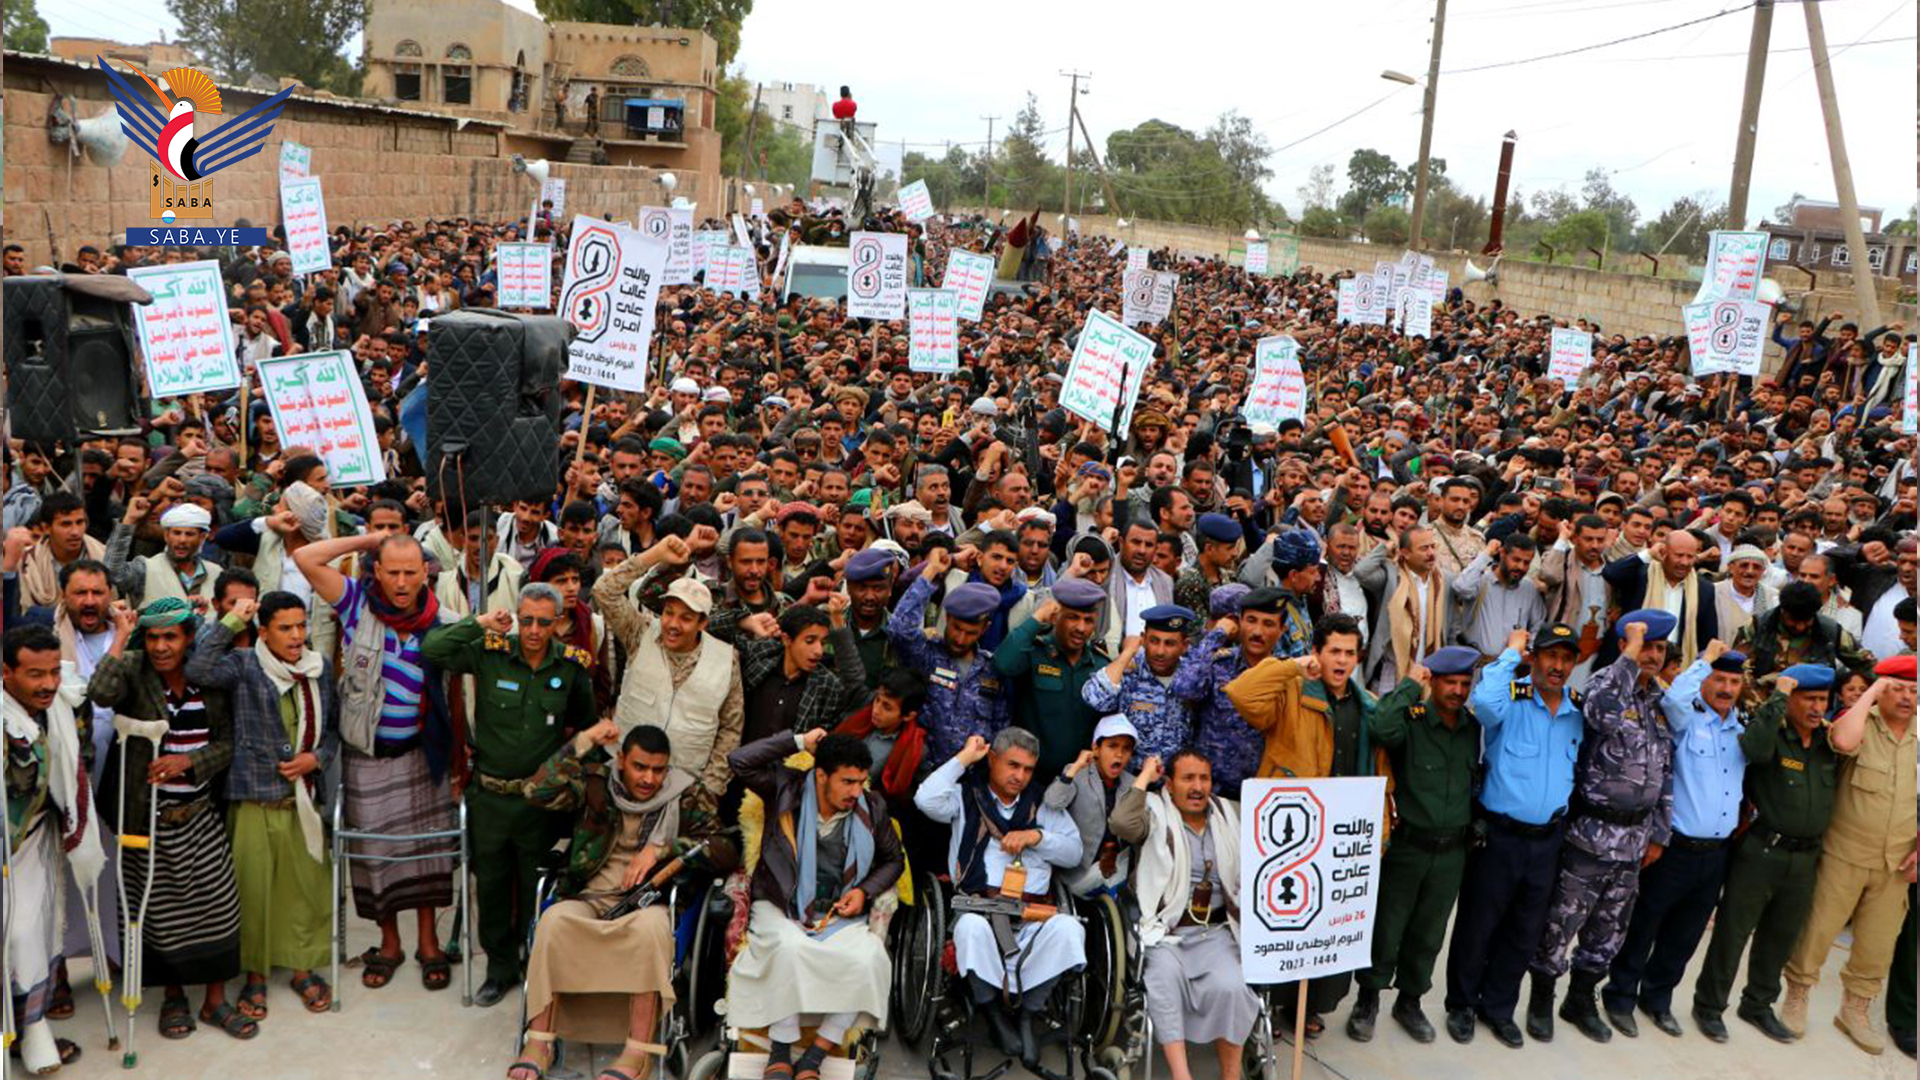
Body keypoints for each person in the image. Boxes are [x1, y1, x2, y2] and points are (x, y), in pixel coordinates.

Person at [511, 720, 723, 1080]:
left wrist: (663, 849)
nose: (649, 779)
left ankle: (637, 1052)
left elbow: (723, 848)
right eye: (640, 767)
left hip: (647, 902)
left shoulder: (686, 792)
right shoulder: (596, 783)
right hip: (589, 893)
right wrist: (585, 739)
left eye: (658, 770)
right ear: (622, 759)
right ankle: (540, 1041)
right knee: (553, 923)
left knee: (650, 931)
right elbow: (535, 790)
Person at [295, 531, 458, 993]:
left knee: (427, 853)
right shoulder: (355, 606)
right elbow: (306, 557)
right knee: (376, 854)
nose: (403, 582)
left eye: (411, 572)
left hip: (422, 754)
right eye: (394, 572)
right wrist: (371, 538)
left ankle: (429, 944)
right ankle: (389, 944)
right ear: (378, 572)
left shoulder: (443, 620)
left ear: (426, 573)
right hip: (367, 756)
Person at [420, 585, 597, 1007]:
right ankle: (499, 969)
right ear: (517, 616)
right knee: (494, 888)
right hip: (490, 800)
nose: (533, 630)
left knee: (535, 886)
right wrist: (479, 623)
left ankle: (534, 962)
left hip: (539, 804)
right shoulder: (491, 651)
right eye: (527, 619)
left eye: (543, 621)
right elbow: (433, 649)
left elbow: (586, 729)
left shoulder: (571, 668)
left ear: (558, 623)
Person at [86, 597, 249, 1041]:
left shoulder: (207, 678)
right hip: (145, 819)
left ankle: (216, 1001)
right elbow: (99, 692)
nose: (160, 647)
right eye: (154, 637)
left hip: (199, 814)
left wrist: (189, 762)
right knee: (153, 915)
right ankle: (173, 997)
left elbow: (229, 742)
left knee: (218, 906)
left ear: (189, 638)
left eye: (170, 637)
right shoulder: (134, 668)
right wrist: (122, 635)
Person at [1222, 612, 1381, 1035]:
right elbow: (1241, 692)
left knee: (1326, 925)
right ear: (1317, 652)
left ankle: (1305, 1007)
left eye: (1350, 653)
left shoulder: (1366, 705)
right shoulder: (1292, 690)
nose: (1342, 661)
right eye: (1334, 652)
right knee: (1284, 922)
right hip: (1290, 833)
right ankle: (1268, 1007)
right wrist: (1292, 666)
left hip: (1341, 832)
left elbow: (1379, 773)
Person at [185, 590, 339, 1018]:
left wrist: (316, 759)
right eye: (284, 628)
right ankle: (254, 977)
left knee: (305, 889)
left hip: (302, 802)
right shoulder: (244, 665)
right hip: (254, 800)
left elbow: (333, 732)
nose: (295, 636)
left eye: (300, 626)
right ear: (264, 631)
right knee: (254, 892)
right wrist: (233, 621)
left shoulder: (318, 667)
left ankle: (303, 968)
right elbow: (198, 668)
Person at [1525, 610, 1676, 1044]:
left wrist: (1659, 832)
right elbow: (1603, 717)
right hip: (1591, 835)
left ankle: (1580, 998)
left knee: (1609, 927)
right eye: (1643, 645)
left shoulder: (1658, 701)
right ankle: (1541, 999)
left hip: (1634, 839)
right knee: (1562, 922)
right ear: (1626, 645)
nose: (1650, 655)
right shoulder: (1606, 685)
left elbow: (1665, 771)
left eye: (1658, 648)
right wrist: (1626, 656)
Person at [726, 727, 903, 1080]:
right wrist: (797, 742)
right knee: (788, 949)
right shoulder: (785, 788)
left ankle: (815, 1055)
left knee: (869, 959)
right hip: (781, 903)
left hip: (838, 910)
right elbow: (739, 761)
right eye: (848, 781)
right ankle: (779, 1050)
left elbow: (893, 861)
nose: (857, 791)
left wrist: (864, 891)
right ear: (821, 775)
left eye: (861, 781)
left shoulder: (872, 807)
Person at [1444, 624, 1584, 1048]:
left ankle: (1498, 1008)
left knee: (1524, 930)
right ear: (1534, 658)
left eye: (1566, 658)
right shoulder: (1511, 698)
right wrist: (1510, 654)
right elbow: (1483, 704)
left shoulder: (1577, 711)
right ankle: (1462, 1005)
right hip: (1500, 835)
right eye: (1549, 656)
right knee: (1479, 923)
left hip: (1547, 839)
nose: (1557, 666)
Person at [1601, 639, 1748, 1038]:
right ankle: (1619, 996)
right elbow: (1674, 699)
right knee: (1645, 924)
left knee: (1684, 934)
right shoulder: (1686, 719)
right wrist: (1704, 662)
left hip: (1715, 853)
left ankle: (1657, 998)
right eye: (1720, 679)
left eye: (1734, 682)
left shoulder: (1741, 728)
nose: (1726, 689)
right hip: (1675, 848)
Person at [1690, 664, 1842, 1044]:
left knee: (1780, 937)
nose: (1816, 707)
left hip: (1805, 859)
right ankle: (1709, 1005)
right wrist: (1776, 700)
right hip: (1762, 851)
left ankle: (1757, 1004)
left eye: (1822, 699)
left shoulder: (1829, 742)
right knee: (1733, 933)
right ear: (1790, 699)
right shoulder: (1771, 732)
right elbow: (1753, 751)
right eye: (1808, 698)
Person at [915, 728, 1084, 1065]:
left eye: (1027, 769)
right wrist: (966, 757)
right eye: (1012, 765)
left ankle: (1026, 1020)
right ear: (992, 759)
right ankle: (993, 1017)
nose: (1019, 776)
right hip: (978, 909)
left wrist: (1038, 836)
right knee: (970, 931)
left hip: (1032, 914)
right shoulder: (966, 797)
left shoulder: (1044, 803)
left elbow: (1073, 853)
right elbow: (925, 799)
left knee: (1070, 930)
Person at [1780, 655, 1917, 1054]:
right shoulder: (1864, 725)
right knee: (1818, 930)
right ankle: (1797, 994)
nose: (1907, 697)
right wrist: (1873, 692)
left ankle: (1854, 1009)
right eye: (1898, 687)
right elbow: (1841, 740)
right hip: (1846, 852)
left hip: (1897, 862)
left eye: (1914, 689)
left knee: (1878, 944)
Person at [1349, 645, 1481, 1043]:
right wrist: (1410, 684)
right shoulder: (1413, 721)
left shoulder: (1472, 729)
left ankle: (1410, 1001)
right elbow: (1380, 727)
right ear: (1434, 682)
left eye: (1464, 683)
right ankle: (1368, 999)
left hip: (1451, 852)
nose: (1458, 691)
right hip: (1409, 846)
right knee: (1387, 927)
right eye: (1450, 682)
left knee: (1429, 932)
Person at [1108, 747, 1259, 1080]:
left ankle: (1231, 1075)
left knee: (1233, 986)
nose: (1197, 787)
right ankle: (1182, 1076)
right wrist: (1146, 776)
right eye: (1188, 778)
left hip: (1218, 932)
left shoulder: (1228, 814)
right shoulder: (1153, 813)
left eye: (1204, 778)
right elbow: (1120, 822)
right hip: (1167, 933)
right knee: (1163, 983)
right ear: (1170, 783)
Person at [3, 624, 108, 1073]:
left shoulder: (58, 705)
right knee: (16, 934)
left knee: (36, 932)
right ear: (6, 673)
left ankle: (31, 1028)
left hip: (38, 840)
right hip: (8, 849)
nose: (47, 684)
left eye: (51, 673)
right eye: (33, 675)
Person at [595, 536, 746, 801]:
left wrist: (709, 789)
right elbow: (604, 590)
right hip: (622, 778)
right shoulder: (639, 633)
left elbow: (731, 729)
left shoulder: (726, 659)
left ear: (703, 624)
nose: (673, 624)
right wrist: (654, 555)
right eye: (668, 612)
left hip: (684, 789)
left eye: (686, 618)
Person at [887, 547, 1012, 765]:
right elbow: (899, 629)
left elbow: (1000, 725)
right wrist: (931, 571)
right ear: (947, 617)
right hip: (925, 771)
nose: (960, 639)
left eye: (971, 633)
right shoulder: (927, 655)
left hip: (972, 779)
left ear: (985, 629)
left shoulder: (992, 668)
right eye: (956, 628)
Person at [1171, 587, 1288, 796]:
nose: (1257, 632)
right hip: (1212, 793)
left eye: (1268, 624)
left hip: (1263, 793)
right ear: (1238, 623)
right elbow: (1185, 688)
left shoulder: (1286, 674)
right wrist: (1216, 634)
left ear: (1282, 630)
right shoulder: (1217, 663)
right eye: (1251, 620)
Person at [995, 578, 1107, 777]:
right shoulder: (1035, 652)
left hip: (1079, 782)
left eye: (1088, 620)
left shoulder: (1101, 665)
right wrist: (1037, 618)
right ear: (1056, 617)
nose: (1081, 628)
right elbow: (1003, 663)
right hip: (1031, 778)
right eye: (1073, 617)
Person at [1081, 604, 1194, 768]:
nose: (1160, 651)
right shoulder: (1128, 670)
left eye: (1169, 643)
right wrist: (1127, 653)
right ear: (1143, 638)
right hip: (1130, 781)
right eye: (1154, 641)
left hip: (1174, 783)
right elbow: (1095, 700)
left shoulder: (1193, 677)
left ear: (1184, 645)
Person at [1043, 714, 1138, 896]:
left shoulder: (1132, 783)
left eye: (1126, 749)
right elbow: (1052, 803)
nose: (1119, 754)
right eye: (1112, 746)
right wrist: (1077, 766)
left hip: (1117, 868)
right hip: (1079, 872)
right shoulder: (1077, 773)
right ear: (1096, 748)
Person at [105, 502, 220, 608]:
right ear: (166, 535)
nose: (182, 540)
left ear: (202, 538)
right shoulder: (146, 568)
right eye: (177, 533)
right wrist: (128, 521)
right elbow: (112, 573)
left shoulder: (216, 573)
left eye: (189, 534)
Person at [1449, 536, 1546, 659]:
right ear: (1502, 554)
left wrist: (1528, 650)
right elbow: (1461, 587)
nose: (1521, 567)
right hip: (1477, 667)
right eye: (1516, 560)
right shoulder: (1481, 581)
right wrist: (1486, 554)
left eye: (1526, 562)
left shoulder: (1529, 588)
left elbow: (1538, 625)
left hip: (1512, 669)